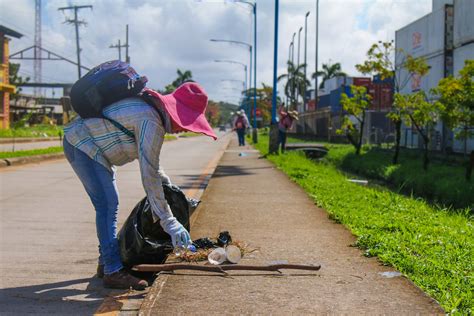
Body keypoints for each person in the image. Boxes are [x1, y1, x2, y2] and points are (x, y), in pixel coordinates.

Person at [63, 82, 217, 290]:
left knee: (108, 204)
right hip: (81, 145)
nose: (183, 127)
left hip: (86, 145)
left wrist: (168, 187)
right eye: (185, 121)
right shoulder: (151, 121)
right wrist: (169, 222)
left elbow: (151, 163)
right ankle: (112, 271)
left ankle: (106, 262)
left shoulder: (150, 111)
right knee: (108, 205)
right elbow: (149, 174)